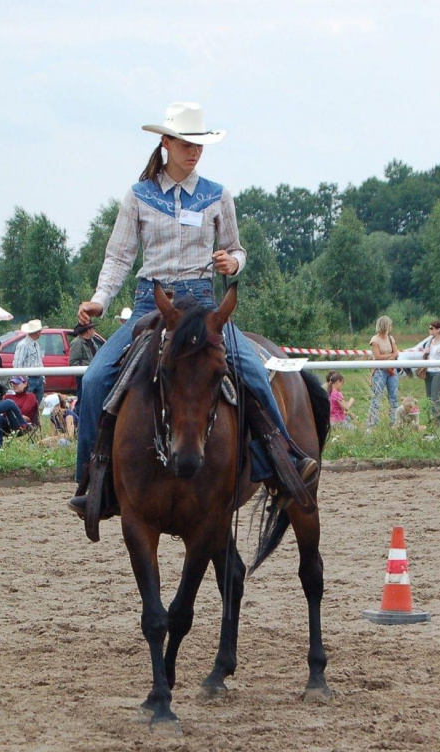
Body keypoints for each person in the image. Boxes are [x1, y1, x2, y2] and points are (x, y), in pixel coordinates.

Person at [70, 101, 318, 516]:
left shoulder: (218, 195)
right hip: (153, 304)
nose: (194, 151)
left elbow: (238, 248)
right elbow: (118, 257)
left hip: (203, 306)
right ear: (166, 142)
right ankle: (93, 480)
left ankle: (282, 458)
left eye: (199, 143)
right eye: (186, 143)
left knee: (254, 370)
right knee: (95, 379)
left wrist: (232, 262)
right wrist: (100, 300)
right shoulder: (138, 196)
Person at [367, 316, 399, 426]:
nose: (391, 327)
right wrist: (390, 356)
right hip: (380, 371)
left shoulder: (390, 338)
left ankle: (394, 422)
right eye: (390, 325)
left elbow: (397, 352)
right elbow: (377, 356)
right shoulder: (374, 340)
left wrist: (389, 357)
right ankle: (372, 423)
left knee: (394, 397)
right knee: (377, 398)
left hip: (391, 371)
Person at [422, 320, 440, 425]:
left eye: (432, 328)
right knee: (428, 398)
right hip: (428, 372)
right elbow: (426, 355)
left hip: (439, 372)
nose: (430, 330)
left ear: (438, 330)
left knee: (435, 399)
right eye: (429, 328)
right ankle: (430, 422)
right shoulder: (429, 341)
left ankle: (438, 423)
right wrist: (425, 353)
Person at [13, 320, 45, 406]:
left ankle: (34, 419)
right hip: (28, 379)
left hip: (38, 378)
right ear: (37, 332)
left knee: (36, 404)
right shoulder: (23, 345)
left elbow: (39, 361)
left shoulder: (36, 344)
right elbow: (17, 365)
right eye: (39, 331)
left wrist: (43, 377)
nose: (40, 333)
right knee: (26, 405)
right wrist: (22, 381)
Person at [69, 324, 98, 413]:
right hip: (83, 377)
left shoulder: (92, 341)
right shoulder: (77, 343)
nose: (94, 330)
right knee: (82, 400)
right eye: (92, 328)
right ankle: (78, 419)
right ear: (87, 330)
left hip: (93, 375)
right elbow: (73, 363)